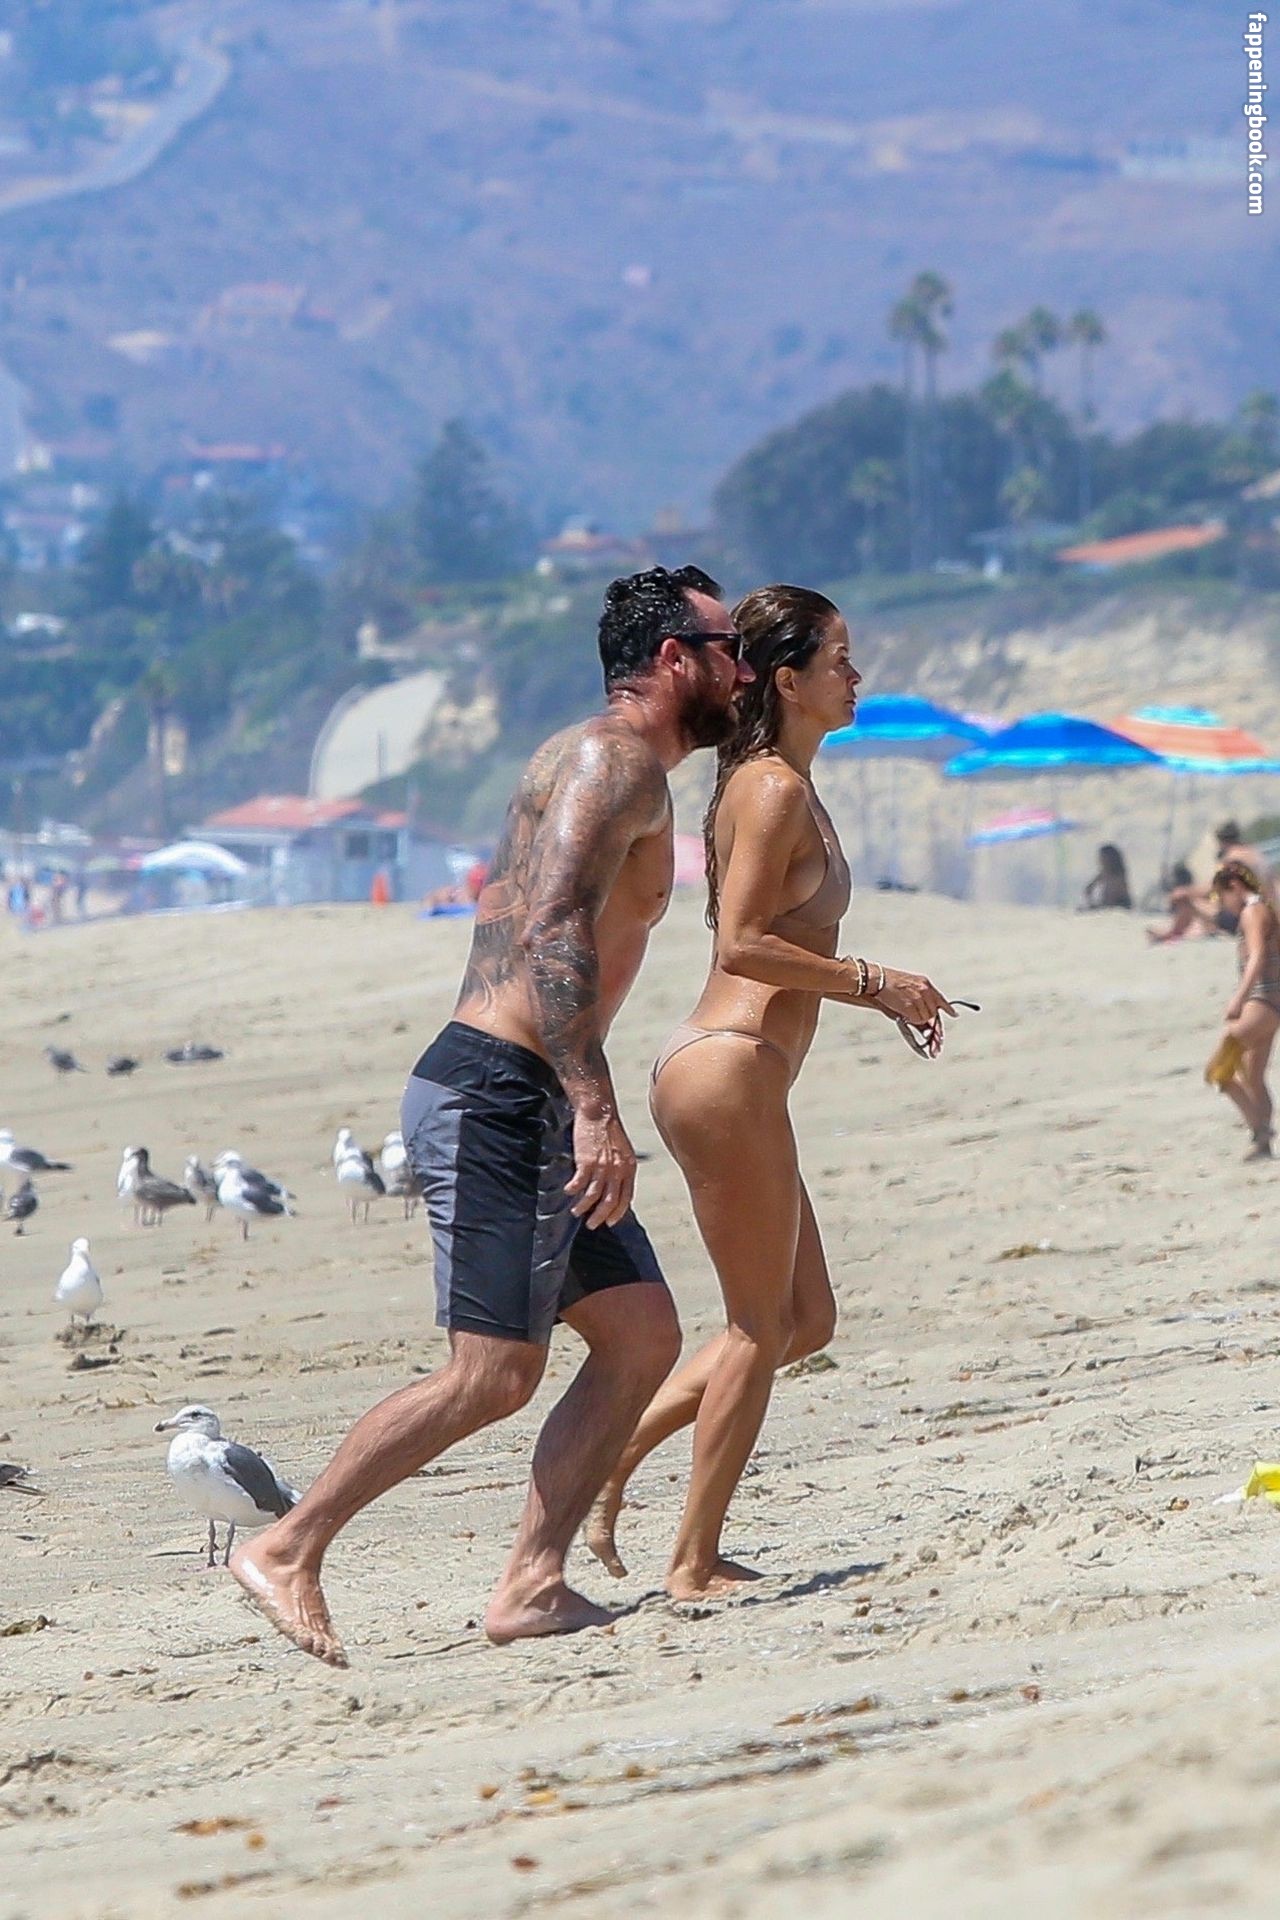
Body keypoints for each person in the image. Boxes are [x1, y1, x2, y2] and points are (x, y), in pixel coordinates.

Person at [231, 565, 754, 1666]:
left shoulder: (622, 766)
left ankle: (531, 1581)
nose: (744, 670)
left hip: (530, 1088)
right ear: (672, 659)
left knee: (639, 1335)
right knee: (491, 1373)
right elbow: (551, 923)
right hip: (500, 1092)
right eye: (729, 650)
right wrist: (592, 1107)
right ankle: (287, 1545)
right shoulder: (611, 760)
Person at [586, 584, 952, 1600]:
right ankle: (692, 1561)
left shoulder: (783, 782)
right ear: (786, 681)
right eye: (838, 659)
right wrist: (876, 984)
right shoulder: (770, 789)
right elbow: (742, 943)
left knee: (804, 1318)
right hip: (726, 1066)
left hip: (742, 1071)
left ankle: (616, 1460)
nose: (856, 676)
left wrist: (867, 989)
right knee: (757, 1325)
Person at [1205, 858, 1280, 1162]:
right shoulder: (1264, 908)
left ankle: (1261, 1131)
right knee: (1253, 1075)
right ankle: (1263, 1146)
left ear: (1234, 887)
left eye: (1222, 897)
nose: (1223, 905)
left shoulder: (1252, 911)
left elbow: (1258, 956)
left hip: (1263, 1001)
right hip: (1271, 1002)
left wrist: (1239, 997)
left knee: (1219, 1068)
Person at [1079, 843, 1132, 911]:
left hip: (1120, 908)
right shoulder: (1103, 874)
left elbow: (1112, 900)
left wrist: (1094, 907)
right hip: (1107, 907)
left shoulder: (1118, 877)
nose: (1100, 860)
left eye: (1103, 858)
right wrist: (1090, 902)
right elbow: (1088, 889)